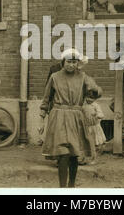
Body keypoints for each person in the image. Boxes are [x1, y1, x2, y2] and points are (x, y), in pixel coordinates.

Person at [38, 48, 102, 188]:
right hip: (58, 116)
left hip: (76, 118)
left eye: (74, 62)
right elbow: (46, 99)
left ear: (77, 63)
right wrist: (41, 120)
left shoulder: (83, 76)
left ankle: (71, 185)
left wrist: (92, 94)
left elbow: (95, 92)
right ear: (63, 62)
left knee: (74, 153)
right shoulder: (54, 77)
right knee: (63, 153)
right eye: (68, 62)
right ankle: (62, 188)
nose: (71, 65)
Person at [85, 90, 106, 165]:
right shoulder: (84, 105)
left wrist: (97, 114)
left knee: (96, 143)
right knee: (88, 144)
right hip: (87, 127)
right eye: (87, 97)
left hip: (95, 127)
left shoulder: (96, 105)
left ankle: (95, 158)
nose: (89, 100)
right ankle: (89, 158)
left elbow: (101, 114)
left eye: (91, 98)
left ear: (94, 99)